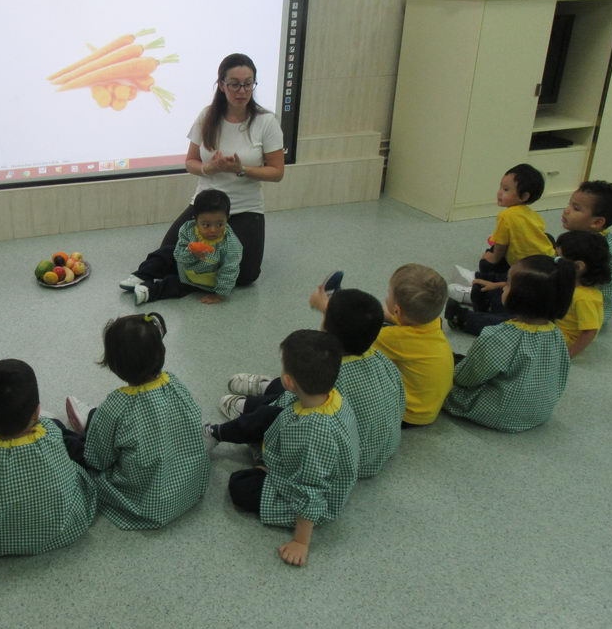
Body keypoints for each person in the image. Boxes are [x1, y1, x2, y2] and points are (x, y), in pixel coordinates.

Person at [211, 287, 404, 479]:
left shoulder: (329, 374)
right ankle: (270, 387)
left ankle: (250, 406)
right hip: (377, 450)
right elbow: (349, 324)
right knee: (300, 380)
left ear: (326, 329)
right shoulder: (380, 359)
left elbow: (287, 411)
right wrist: (325, 307)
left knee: (285, 396)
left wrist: (255, 414)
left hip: (347, 460)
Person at [55, 313, 209, 529]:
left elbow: (97, 460)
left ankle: (59, 426)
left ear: (113, 364)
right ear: (161, 352)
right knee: (119, 424)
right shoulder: (176, 383)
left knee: (76, 447)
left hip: (144, 502)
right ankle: (91, 418)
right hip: (188, 487)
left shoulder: (116, 405)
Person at [143, 53, 285, 287]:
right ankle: (207, 265)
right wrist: (209, 167)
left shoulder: (266, 121)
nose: (242, 91)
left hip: (245, 207)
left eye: (248, 84)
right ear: (221, 85)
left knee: (246, 276)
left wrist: (242, 169)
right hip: (206, 204)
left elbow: (277, 172)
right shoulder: (207, 116)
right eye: (234, 84)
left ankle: (207, 266)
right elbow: (190, 162)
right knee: (166, 256)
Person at [225, 330, 359, 566]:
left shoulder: (315, 433)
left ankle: (260, 461)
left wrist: (301, 542)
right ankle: (256, 431)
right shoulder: (329, 394)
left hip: (313, 494)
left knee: (240, 486)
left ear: (289, 381)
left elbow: (310, 489)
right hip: (297, 450)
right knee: (273, 407)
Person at [0, 359, 97, 558]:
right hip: (68, 529)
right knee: (58, 428)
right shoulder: (50, 433)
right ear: (37, 411)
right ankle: (22, 427)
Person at [445, 256, 575, 431]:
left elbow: (466, 378)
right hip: (539, 412)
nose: (503, 288)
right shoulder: (556, 334)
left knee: (439, 372)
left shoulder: (498, 336)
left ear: (519, 297)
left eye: (507, 284)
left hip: (500, 413)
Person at [450, 164, 555, 316]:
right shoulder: (531, 214)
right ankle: (479, 280)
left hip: (528, 270)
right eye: (500, 187)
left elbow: (500, 246)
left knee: (487, 260)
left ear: (524, 196)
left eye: (506, 190)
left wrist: (491, 258)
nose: (499, 193)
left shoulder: (506, 216)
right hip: (547, 261)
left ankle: (476, 283)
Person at [121, 189, 243, 305]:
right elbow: (178, 254)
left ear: (228, 219)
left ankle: (148, 292)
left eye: (220, 224)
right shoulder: (188, 229)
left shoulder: (230, 244)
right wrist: (191, 254)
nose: (213, 230)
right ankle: (142, 275)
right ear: (195, 220)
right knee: (164, 252)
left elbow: (229, 270)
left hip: (198, 280)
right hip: (184, 263)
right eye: (206, 225)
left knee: (174, 286)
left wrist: (219, 294)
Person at [374, 264, 454, 427]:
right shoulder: (432, 322)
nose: (386, 296)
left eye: (388, 294)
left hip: (408, 415)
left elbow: (352, 341)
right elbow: (397, 317)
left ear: (397, 310)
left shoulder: (393, 338)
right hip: (429, 408)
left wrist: (330, 307)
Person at [561, 180, 612, 325]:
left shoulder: (594, 250)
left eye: (576, 208)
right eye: (569, 204)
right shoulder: (588, 235)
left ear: (596, 223)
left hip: (590, 312)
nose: (566, 210)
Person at [553, 230, 611, 359]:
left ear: (578, 266)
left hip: (566, 338)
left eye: (559, 259)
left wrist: (569, 354)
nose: (554, 262)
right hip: (559, 325)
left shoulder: (583, 298)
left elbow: (590, 330)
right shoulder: (572, 285)